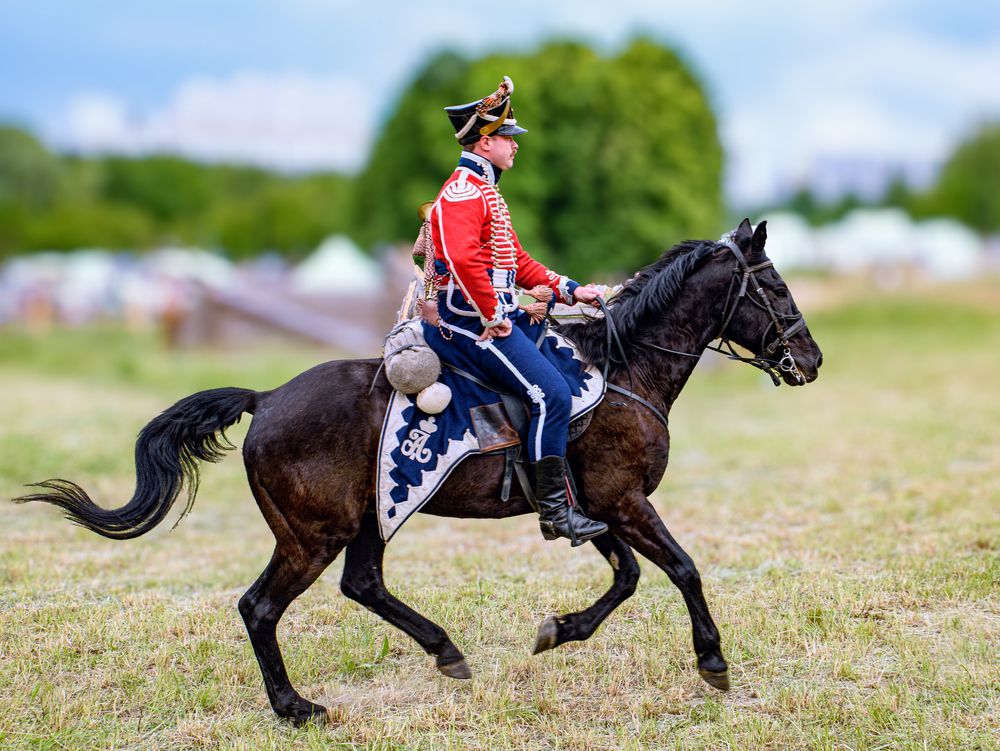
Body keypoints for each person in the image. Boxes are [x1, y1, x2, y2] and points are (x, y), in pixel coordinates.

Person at [422, 76, 607, 545]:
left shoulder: (484, 190)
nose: (515, 147)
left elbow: (517, 263)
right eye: (508, 138)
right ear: (485, 143)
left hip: (490, 318)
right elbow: (463, 260)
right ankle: (556, 513)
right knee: (553, 396)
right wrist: (491, 314)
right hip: (468, 326)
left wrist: (570, 289)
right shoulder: (464, 193)